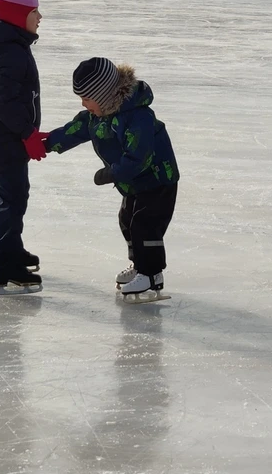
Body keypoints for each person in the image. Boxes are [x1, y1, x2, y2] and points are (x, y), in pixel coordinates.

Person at [44, 57, 178, 300]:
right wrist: (47, 143)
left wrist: (111, 173)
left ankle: (151, 274)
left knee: (145, 225)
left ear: (104, 94)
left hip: (158, 179)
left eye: (86, 98)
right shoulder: (98, 116)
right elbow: (74, 130)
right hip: (135, 183)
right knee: (127, 220)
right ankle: (139, 266)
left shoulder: (137, 117)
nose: (84, 104)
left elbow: (140, 157)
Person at [0, 0, 48, 295]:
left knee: (16, 197)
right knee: (12, 200)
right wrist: (26, 133)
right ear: (18, 16)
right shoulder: (10, 51)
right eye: (34, 12)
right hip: (4, 139)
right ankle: (5, 266)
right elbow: (3, 102)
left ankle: (12, 251)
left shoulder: (11, 45)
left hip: (3, 138)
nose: (40, 16)